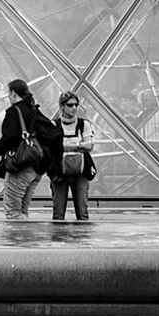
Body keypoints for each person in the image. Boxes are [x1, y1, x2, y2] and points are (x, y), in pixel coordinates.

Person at [0, 79, 62, 220]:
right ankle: (27, 241)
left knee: (12, 212)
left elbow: (10, 138)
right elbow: (54, 133)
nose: (8, 96)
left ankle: (22, 240)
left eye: (8, 93)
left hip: (21, 166)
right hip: (37, 167)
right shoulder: (33, 109)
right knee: (23, 211)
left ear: (13, 93)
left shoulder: (14, 112)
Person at [51, 91, 95, 220]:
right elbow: (54, 147)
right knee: (58, 213)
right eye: (70, 105)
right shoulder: (54, 125)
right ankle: (58, 239)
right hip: (59, 172)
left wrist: (66, 145)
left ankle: (82, 239)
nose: (74, 108)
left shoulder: (84, 124)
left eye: (76, 105)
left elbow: (90, 146)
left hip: (81, 173)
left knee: (83, 212)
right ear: (62, 107)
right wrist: (79, 145)